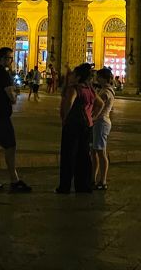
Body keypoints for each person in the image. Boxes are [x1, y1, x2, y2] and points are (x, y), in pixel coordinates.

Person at [0, 46, 32, 192]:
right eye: (10, 58)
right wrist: (15, 96)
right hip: (2, 115)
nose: (11, 61)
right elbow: (11, 96)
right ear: (4, 58)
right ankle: (14, 179)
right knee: (10, 147)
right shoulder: (4, 75)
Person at [56, 63, 96, 194]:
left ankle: (65, 186)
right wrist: (92, 116)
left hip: (73, 124)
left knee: (69, 155)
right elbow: (100, 103)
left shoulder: (74, 89)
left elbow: (68, 104)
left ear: (78, 77)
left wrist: (64, 119)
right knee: (84, 155)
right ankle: (83, 185)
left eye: (73, 74)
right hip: (87, 125)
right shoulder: (90, 89)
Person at [91, 67, 115, 190]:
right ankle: (93, 178)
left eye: (98, 76)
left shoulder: (105, 92)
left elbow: (99, 106)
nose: (96, 78)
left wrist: (93, 118)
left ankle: (103, 180)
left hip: (101, 122)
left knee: (101, 152)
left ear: (102, 78)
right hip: (101, 122)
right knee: (95, 151)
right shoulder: (107, 90)